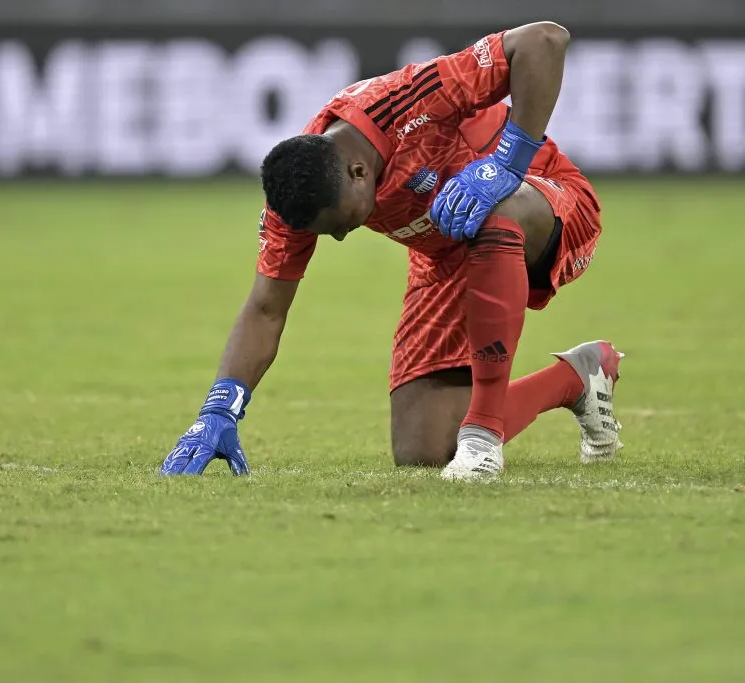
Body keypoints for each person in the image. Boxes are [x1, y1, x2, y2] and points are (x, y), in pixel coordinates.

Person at [159, 22, 623, 480]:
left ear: (359, 171)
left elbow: (545, 40)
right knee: (424, 449)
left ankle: (483, 435)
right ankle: (578, 377)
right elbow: (266, 308)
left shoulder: (410, 99)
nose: (341, 237)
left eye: (342, 224)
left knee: (495, 210)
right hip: (444, 254)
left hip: (548, 206)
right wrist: (220, 408)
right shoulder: (299, 192)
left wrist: (506, 162)